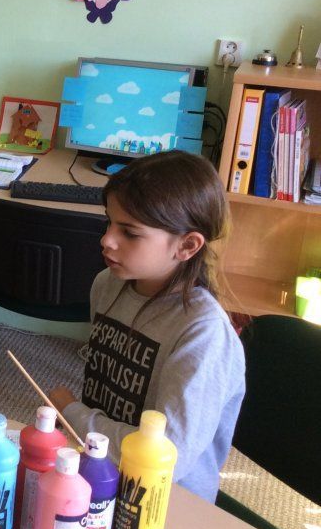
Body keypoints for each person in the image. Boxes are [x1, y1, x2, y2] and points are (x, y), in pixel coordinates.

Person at [49, 151, 245, 502]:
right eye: (109, 222)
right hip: (103, 473)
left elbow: (167, 456)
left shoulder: (204, 333)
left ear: (187, 245)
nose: (107, 240)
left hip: (164, 503)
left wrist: (73, 413)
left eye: (130, 232)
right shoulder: (107, 284)